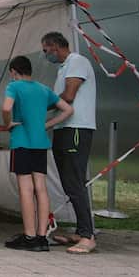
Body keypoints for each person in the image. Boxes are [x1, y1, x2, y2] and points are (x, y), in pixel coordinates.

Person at [2, 55, 74, 252]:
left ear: (14, 72)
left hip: (21, 142)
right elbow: (68, 109)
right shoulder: (44, 89)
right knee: (41, 189)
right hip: (41, 143)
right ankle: (42, 237)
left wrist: (8, 123)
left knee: (26, 189)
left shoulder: (14, 87)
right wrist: (47, 125)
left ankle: (29, 235)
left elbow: (6, 107)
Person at [41, 31, 99, 254]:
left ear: (55, 46)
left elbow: (69, 95)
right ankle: (81, 229)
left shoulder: (77, 62)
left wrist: (39, 106)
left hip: (77, 128)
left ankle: (88, 235)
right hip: (63, 128)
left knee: (74, 180)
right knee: (68, 181)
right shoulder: (63, 67)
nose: (46, 55)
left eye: (46, 51)